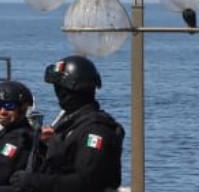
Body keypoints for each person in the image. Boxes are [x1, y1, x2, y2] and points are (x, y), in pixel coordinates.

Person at [8, 56, 123, 192]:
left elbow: (86, 183)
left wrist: (32, 181)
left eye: (58, 89)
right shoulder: (71, 126)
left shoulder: (95, 130)